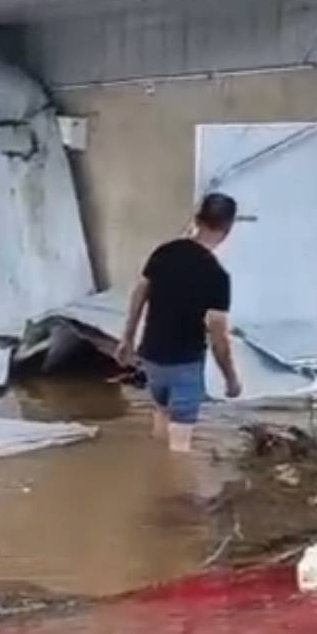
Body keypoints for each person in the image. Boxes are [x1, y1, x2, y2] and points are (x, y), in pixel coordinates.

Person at [115, 192, 242, 452]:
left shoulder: (164, 253)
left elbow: (139, 293)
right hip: (185, 364)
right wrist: (231, 379)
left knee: (161, 419)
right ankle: (173, 490)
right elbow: (219, 338)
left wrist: (127, 338)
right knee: (180, 447)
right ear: (227, 229)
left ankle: (156, 481)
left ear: (197, 218)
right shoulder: (216, 275)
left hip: (151, 358)